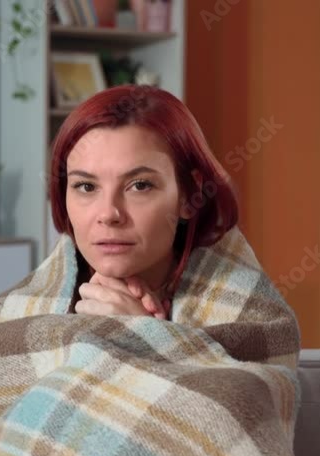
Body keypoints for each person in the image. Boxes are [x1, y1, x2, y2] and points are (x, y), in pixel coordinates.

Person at [47, 84, 239, 321]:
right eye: (86, 186)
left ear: (190, 195)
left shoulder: (249, 313)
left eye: (140, 185)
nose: (108, 214)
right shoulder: (16, 316)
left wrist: (145, 335)